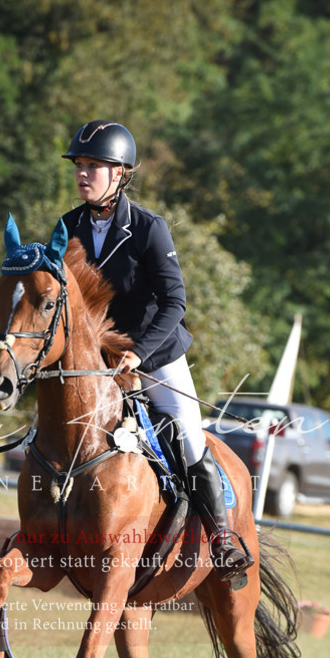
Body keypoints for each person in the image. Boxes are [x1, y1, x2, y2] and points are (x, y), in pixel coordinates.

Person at [60, 119, 253, 584]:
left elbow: (174, 303)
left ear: (121, 173)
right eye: (80, 165)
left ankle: (222, 537)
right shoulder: (68, 226)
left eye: (95, 166)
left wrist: (140, 354)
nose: (83, 173)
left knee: (186, 435)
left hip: (155, 354)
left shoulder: (149, 228)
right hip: (96, 362)